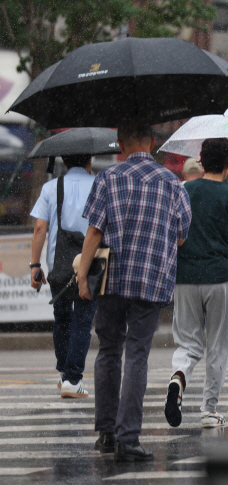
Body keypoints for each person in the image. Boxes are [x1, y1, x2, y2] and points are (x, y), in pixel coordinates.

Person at [78, 119, 192, 462]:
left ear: (120, 142)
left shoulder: (107, 178)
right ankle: (130, 438)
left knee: (108, 351)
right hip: (152, 279)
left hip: (112, 279)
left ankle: (107, 433)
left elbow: (94, 232)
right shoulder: (172, 183)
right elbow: (181, 235)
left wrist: (83, 276)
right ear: (153, 142)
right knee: (137, 355)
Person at [165, 139, 228, 429]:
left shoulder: (182, 191)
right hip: (220, 276)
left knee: (188, 342)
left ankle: (178, 378)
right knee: (217, 345)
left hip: (186, 275)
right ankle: (209, 410)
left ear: (201, 162)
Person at [30, 154, 97, 398]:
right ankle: (73, 378)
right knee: (83, 319)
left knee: (62, 318)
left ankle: (63, 373)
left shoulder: (51, 187)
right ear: (89, 161)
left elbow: (40, 228)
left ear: (65, 162)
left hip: (58, 263)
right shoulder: (99, 184)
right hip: (90, 262)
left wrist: (35, 265)